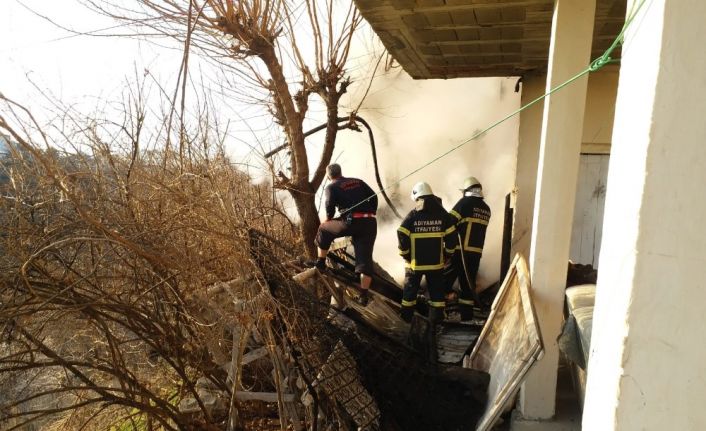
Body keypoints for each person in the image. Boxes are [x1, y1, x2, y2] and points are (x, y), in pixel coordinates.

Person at [314, 164, 378, 305]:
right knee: (365, 260)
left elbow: (329, 205)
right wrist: (372, 212)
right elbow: (374, 196)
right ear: (341, 172)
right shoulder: (358, 181)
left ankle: (320, 262)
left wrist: (329, 218)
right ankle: (363, 295)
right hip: (370, 223)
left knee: (323, 229)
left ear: (328, 176)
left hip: (351, 222)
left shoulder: (331, 187)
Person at [397, 182, 458, 323]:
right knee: (437, 296)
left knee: (409, 295)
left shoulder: (413, 215)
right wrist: (447, 254)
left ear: (418, 197)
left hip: (414, 265)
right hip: (436, 264)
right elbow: (452, 236)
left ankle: (406, 321)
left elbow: (401, 232)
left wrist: (406, 254)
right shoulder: (443, 214)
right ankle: (436, 323)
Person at [445, 176, 491, 321]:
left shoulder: (465, 203)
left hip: (460, 251)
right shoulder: (486, 209)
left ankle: (436, 313)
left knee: (443, 281)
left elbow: (448, 222)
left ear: (467, 191)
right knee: (467, 287)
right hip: (476, 253)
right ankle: (467, 317)